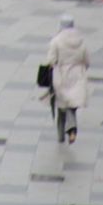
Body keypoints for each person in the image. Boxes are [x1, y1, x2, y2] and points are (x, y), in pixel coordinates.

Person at [44, 12, 89, 144]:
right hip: (77, 74)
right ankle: (70, 130)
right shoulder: (81, 40)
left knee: (62, 105)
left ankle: (63, 134)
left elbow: (51, 61)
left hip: (61, 74)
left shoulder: (56, 41)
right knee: (72, 105)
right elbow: (87, 60)